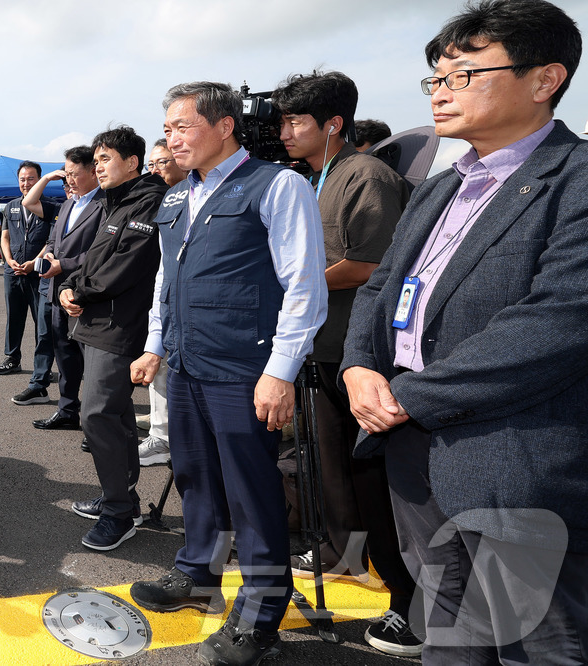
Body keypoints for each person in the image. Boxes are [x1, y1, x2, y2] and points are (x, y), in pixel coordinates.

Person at [343, 1, 588, 661]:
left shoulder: (577, 180)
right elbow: (378, 286)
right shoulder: (438, 187)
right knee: (449, 635)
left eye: (463, 75)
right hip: (413, 456)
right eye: (436, 79)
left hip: (514, 464)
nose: (441, 92)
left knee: (534, 644)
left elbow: (558, 322)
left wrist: (406, 397)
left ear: (545, 80)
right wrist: (360, 367)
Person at [128, 81, 327, 666]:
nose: (171, 138)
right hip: (187, 365)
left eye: (182, 127)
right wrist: (155, 345)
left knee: (252, 488)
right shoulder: (173, 198)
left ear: (224, 127)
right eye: (166, 129)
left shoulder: (278, 186)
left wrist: (280, 371)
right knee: (193, 475)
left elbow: (304, 286)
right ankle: (197, 574)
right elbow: (168, 280)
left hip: (246, 368)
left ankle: (263, 612)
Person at [271, 69, 419, 657]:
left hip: (358, 358)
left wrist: (297, 289)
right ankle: (350, 555)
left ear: (333, 124)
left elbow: (371, 265)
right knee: (333, 478)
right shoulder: (310, 178)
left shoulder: (368, 176)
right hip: (320, 351)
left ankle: (411, 603)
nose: (283, 132)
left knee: (372, 485)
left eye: (295, 121)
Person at [55, 127, 168, 550]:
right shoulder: (115, 202)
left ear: (132, 162)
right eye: (96, 160)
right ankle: (122, 499)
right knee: (116, 417)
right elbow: (94, 258)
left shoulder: (149, 202)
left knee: (97, 415)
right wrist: (68, 287)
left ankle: (120, 513)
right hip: (99, 322)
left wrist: (79, 290)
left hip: (122, 328)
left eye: (105, 159)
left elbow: (126, 266)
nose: (97, 167)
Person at [26, 146, 104, 431]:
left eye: (74, 173)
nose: (69, 179)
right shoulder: (69, 204)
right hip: (58, 292)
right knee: (65, 356)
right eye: (66, 174)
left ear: (92, 171)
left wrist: (65, 264)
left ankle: (97, 423)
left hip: (88, 295)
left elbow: (103, 253)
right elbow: (55, 241)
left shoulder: (106, 205)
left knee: (94, 364)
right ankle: (67, 409)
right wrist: (48, 256)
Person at [135, 138, 187, 467]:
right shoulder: (163, 200)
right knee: (159, 368)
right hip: (161, 302)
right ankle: (161, 431)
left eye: (162, 163)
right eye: (151, 165)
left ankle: (166, 435)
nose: (155, 171)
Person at [0, 162, 59, 408]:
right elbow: (5, 236)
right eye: (22, 179)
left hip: (38, 273)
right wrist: (9, 260)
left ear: (40, 180)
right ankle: (12, 357)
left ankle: (42, 368)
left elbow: (52, 239)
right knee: (14, 316)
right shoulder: (10, 207)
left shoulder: (52, 208)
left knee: (42, 322)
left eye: (31, 179)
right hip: (13, 271)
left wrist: (34, 262)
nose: (26, 183)